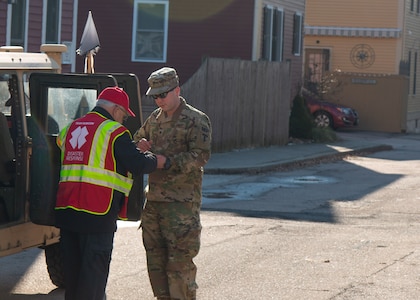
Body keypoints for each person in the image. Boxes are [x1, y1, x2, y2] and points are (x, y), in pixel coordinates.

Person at [55, 86, 165, 300]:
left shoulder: (69, 129)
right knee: (93, 280)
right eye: (123, 115)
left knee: (74, 279)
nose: (123, 120)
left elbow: (93, 156)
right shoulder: (114, 131)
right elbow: (137, 163)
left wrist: (131, 150)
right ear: (115, 109)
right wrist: (156, 160)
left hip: (67, 212)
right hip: (97, 213)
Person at [133, 67, 212, 300]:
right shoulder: (154, 119)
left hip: (181, 205)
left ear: (177, 90)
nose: (159, 100)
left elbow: (200, 156)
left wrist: (167, 162)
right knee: (155, 261)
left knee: (179, 263)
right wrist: (140, 145)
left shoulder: (196, 120)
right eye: (154, 96)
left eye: (163, 95)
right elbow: (138, 138)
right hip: (155, 202)